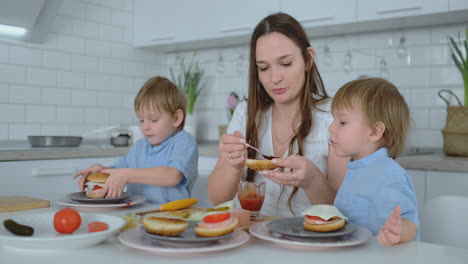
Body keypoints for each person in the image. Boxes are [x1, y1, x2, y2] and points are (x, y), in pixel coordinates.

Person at [208, 12, 349, 217]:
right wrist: (232, 165)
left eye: (285, 64)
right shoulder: (245, 113)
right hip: (254, 239)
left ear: (308, 59)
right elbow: (217, 199)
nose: (274, 78)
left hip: (310, 243)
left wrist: (312, 181)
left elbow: (343, 211)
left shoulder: (334, 117)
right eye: (263, 68)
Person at [73, 76, 198, 204]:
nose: (145, 127)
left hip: (173, 217)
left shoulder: (184, 142)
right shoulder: (139, 147)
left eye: (154, 120)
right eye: (141, 120)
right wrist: (100, 170)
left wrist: (126, 175)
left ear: (176, 118)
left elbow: (172, 176)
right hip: (138, 215)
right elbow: (118, 171)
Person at [329, 78, 419, 245]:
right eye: (333, 120)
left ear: (375, 131)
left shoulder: (388, 175)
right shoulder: (358, 168)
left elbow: (411, 225)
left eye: (342, 122)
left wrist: (397, 229)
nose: (331, 128)